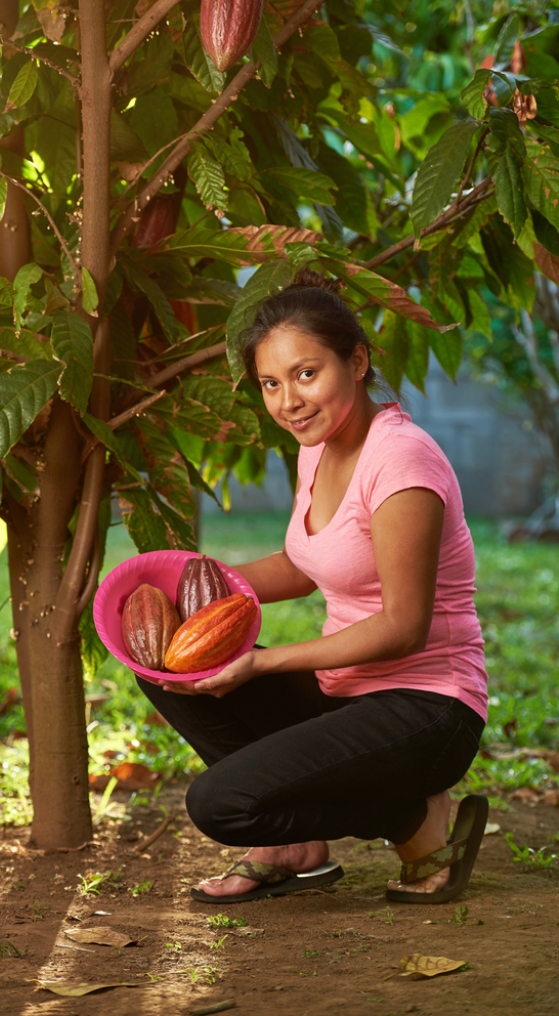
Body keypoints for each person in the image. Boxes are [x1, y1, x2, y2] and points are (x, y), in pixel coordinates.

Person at [136, 270, 489, 905]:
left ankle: (413, 821)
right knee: (166, 666)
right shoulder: (318, 447)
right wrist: (203, 581)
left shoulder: (403, 462)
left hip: (427, 708)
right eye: (271, 383)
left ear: (357, 361)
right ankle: (297, 847)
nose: (287, 401)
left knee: (219, 805)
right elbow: (307, 566)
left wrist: (263, 663)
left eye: (305, 374)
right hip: (344, 696)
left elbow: (402, 626)